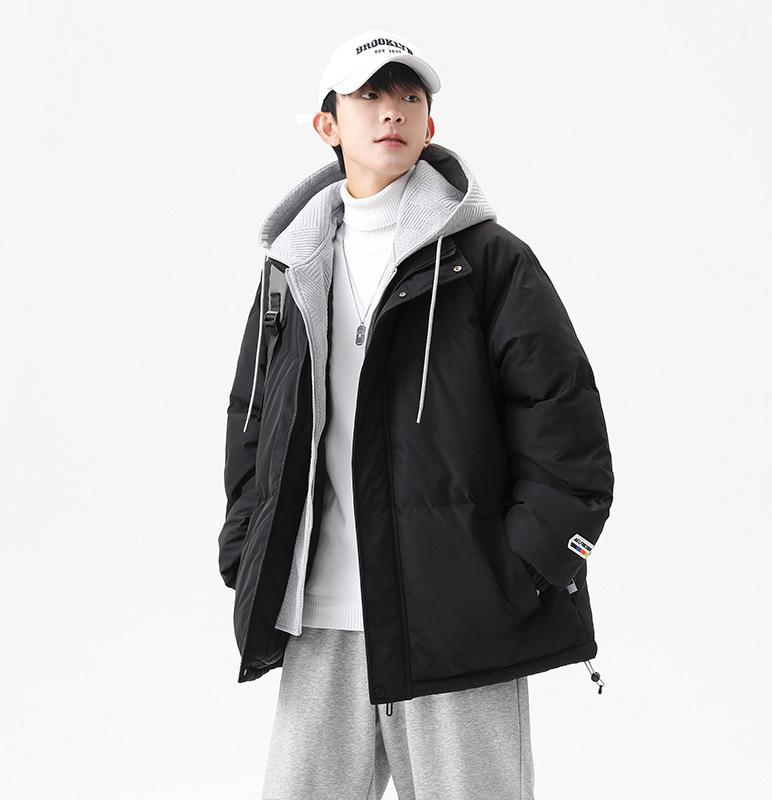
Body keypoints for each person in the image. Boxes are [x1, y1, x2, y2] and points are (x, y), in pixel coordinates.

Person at [218, 29, 614, 800]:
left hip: (460, 617)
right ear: (327, 124)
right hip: (320, 615)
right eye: (369, 95)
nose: (391, 111)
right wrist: (248, 548)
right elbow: (252, 419)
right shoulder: (292, 269)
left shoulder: (490, 260)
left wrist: (523, 572)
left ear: (430, 124)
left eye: (409, 97)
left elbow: (565, 425)